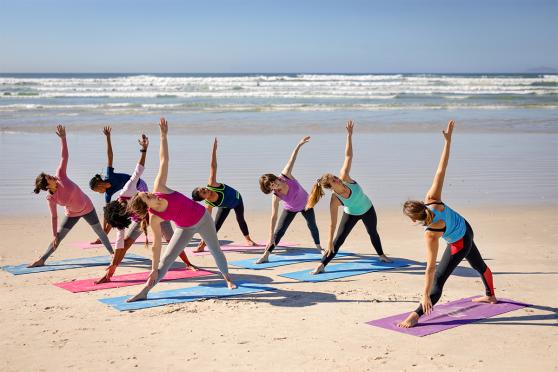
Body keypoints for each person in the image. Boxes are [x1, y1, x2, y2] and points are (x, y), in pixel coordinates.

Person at [397, 120, 497, 328]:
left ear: (414, 220)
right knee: (478, 265)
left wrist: (424, 295)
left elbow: (430, 269)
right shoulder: (432, 198)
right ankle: (491, 296)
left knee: (438, 282)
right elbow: (441, 169)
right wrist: (448, 141)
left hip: (460, 241)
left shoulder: (431, 234)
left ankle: (415, 316)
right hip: (466, 228)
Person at [126, 118, 236, 303]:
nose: (150, 194)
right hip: (184, 228)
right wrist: (153, 268)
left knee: (215, 249)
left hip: (202, 218)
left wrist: (163, 136)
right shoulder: (154, 218)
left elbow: (164, 160)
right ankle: (145, 290)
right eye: (147, 197)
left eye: (146, 193)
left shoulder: (159, 187)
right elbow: (156, 246)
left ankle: (228, 279)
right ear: (147, 206)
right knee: (166, 259)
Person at [95, 132, 196, 284]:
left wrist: (144, 149)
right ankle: (110, 275)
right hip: (141, 215)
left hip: (155, 208)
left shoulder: (127, 190)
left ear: (122, 206)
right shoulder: (120, 220)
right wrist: (112, 267)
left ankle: (188, 264)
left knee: (170, 239)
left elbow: (138, 171)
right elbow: (119, 243)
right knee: (127, 242)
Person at [306, 120, 391, 275]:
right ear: (330, 187)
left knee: (373, 232)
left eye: (334, 177)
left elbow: (348, 155)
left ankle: (382, 255)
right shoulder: (335, 200)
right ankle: (322, 265)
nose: (337, 179)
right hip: (351, 214)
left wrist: (349, 135)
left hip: (367, 208)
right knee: (338, 241)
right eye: (333, 180)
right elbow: (332, 224)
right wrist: (330, 240)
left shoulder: (345, 177)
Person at [29, 125, 114, 267]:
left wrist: (63, 138)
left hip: (87, 208)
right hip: (72, 214)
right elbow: (54, 217)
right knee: (58, 238)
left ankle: (112, 254)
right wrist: (54, 234)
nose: (50, 175)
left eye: (48, 174)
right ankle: (42, 260)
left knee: (100, 232)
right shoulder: (51, 198)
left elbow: (64, 156)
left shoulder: (60, 175)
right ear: (47, 185)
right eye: (48, 177)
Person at [256, 136, 321, 264]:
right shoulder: (276, 195)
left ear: (275, 178)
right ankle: (266, 255)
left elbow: (292, 159)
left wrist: (299, 144)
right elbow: (273, 216)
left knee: (312, 225)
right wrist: (270, 237)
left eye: (273, 182)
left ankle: (319, 248)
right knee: (279, 232)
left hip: (306, 204)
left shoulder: (286, 175)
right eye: (271, 186)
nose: (274, 186)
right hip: (290, 209)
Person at [191, 138, 257, 252]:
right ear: (203, 198)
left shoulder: (212, 184)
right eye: (203, 192)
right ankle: (202, 245)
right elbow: (208, 222)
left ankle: (248, 239)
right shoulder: (209, 204)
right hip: (225, 206)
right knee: (215, 226)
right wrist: (202, 236)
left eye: (203, 188)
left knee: (240, 219)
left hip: (237, 200)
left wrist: (214, 150)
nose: (205, 189)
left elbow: (213, 166)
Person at [88, 126, 147, 244]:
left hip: (139, 185)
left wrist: (108, 137)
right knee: (117, 214)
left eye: (96, 190)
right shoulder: (108, 194)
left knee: (145, 210)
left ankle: (156, 225)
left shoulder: (109, 175)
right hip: (129, 194)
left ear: (100, 184)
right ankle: (104, 237)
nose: (99, 193)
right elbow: (107, 215)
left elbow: (110, 155)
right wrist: (103, 234)